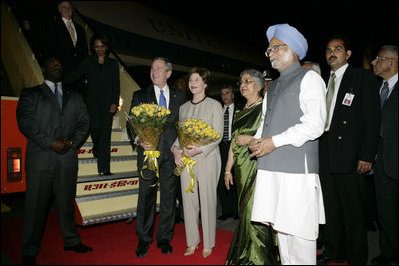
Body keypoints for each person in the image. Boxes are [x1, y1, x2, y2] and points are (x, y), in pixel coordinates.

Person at [249, 23, 327, 265]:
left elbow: (315, 124)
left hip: (296, 172)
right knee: (282, 233)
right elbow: (266, 122)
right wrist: (257, 141)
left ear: (291, 49)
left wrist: (274, 142)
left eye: (274, 48)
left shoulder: (310, 78)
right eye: (268, 50)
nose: (270, 53)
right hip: (271, 168)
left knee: (300, 237)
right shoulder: (273, 86)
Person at [16, 57, 91, 265]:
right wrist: (51, 143)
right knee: (35, 207)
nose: (56, 65)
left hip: (67, 159)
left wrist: (72, 142)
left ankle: (71, 240)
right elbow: (26, 123)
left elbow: (85, 122)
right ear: (43, 69)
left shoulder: (75, 96)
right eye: (51, 63)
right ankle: (29, 250)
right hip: (41, 159)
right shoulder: (30, 94)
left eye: (59, 63)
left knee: (67, 204)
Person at [317, 35, 381, 265]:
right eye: (328, 50)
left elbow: (372, 120)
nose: (331, 53)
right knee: (331, 208)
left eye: (337, 49)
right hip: (326, 153)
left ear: (348, 54)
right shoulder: (323, 81)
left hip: (352, 155)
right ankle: (334, 251)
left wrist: (366, 155)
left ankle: (356, 257)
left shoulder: (362, 78)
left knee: (353, 211)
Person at [128, 57, 186, 258]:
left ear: (168, 73)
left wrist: (180, 147)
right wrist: (138, 139)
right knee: (146, 196)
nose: (154, 72)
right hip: (148, 153)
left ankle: (164, 238)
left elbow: (182, 125)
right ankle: (144, 239)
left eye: (159, 69)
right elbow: (131, 123)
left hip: (171, 154)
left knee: (170, 197)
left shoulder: (180, 96)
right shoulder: (140, 95)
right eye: (152, 69)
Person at [224, 69, 279, 265]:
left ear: (259, 85)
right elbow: (232, 143)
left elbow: (271, 138)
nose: (243, 85)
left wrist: (251, 139)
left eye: (248, 81)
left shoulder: (265, 108)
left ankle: (258, 258)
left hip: (256, 165)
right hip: (240, 167)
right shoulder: (239, 112)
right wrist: (228, 169)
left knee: (254, 212)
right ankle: (246, 252)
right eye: (241, 81)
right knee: (244, 211)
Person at [171, 67, 223, 258]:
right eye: (191, 80)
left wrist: (200, 149)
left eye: (197, 80)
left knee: (208, 200)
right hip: (187, 160)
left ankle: (208, 243)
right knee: (188, 200)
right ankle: (192, 242)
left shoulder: (214, 105)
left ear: (205, 84)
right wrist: (175, 150)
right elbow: (180, 136)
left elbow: (218, 134)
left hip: (207, 158)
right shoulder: (183, 108)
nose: (192, 83)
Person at [64, 33, 120, 175]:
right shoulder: (88, 61)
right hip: (91, 103)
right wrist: (60, 80)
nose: (99, 49)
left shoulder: (113, 64)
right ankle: (96, 149)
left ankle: (104, 169)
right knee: (94, 131)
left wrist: (114, 102)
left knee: (105, 137)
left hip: (108, 104)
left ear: (106, 47)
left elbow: (116, 85)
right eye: (96, 47)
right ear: (93, 48)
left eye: (102, 46)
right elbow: (76, 74)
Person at [370, 45, 398, 265]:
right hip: (381, 161)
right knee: (386, 212)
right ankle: (390, 253)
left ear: (392, 61)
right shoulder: (377, 88)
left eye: (378, 58)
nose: (373, 62)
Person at [45, 1, 88, 94]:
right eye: (64, 7)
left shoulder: (80, 28)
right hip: (62, 74)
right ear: (60, 10)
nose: (67, 9)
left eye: (69, 7)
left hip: (79, 75)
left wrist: (85, 70)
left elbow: (85, 51)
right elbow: (49, 49)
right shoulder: (53, 26)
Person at [217, 84, 238, 221]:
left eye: (227, 93)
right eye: (222, 94)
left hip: (235, 147)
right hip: (220, 147)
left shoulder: (240, 110)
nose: (225, 96)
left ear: (233, 95)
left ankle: (236, 210)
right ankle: (226, 210)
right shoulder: (217, 110)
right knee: (221, 179)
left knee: (235, 178)